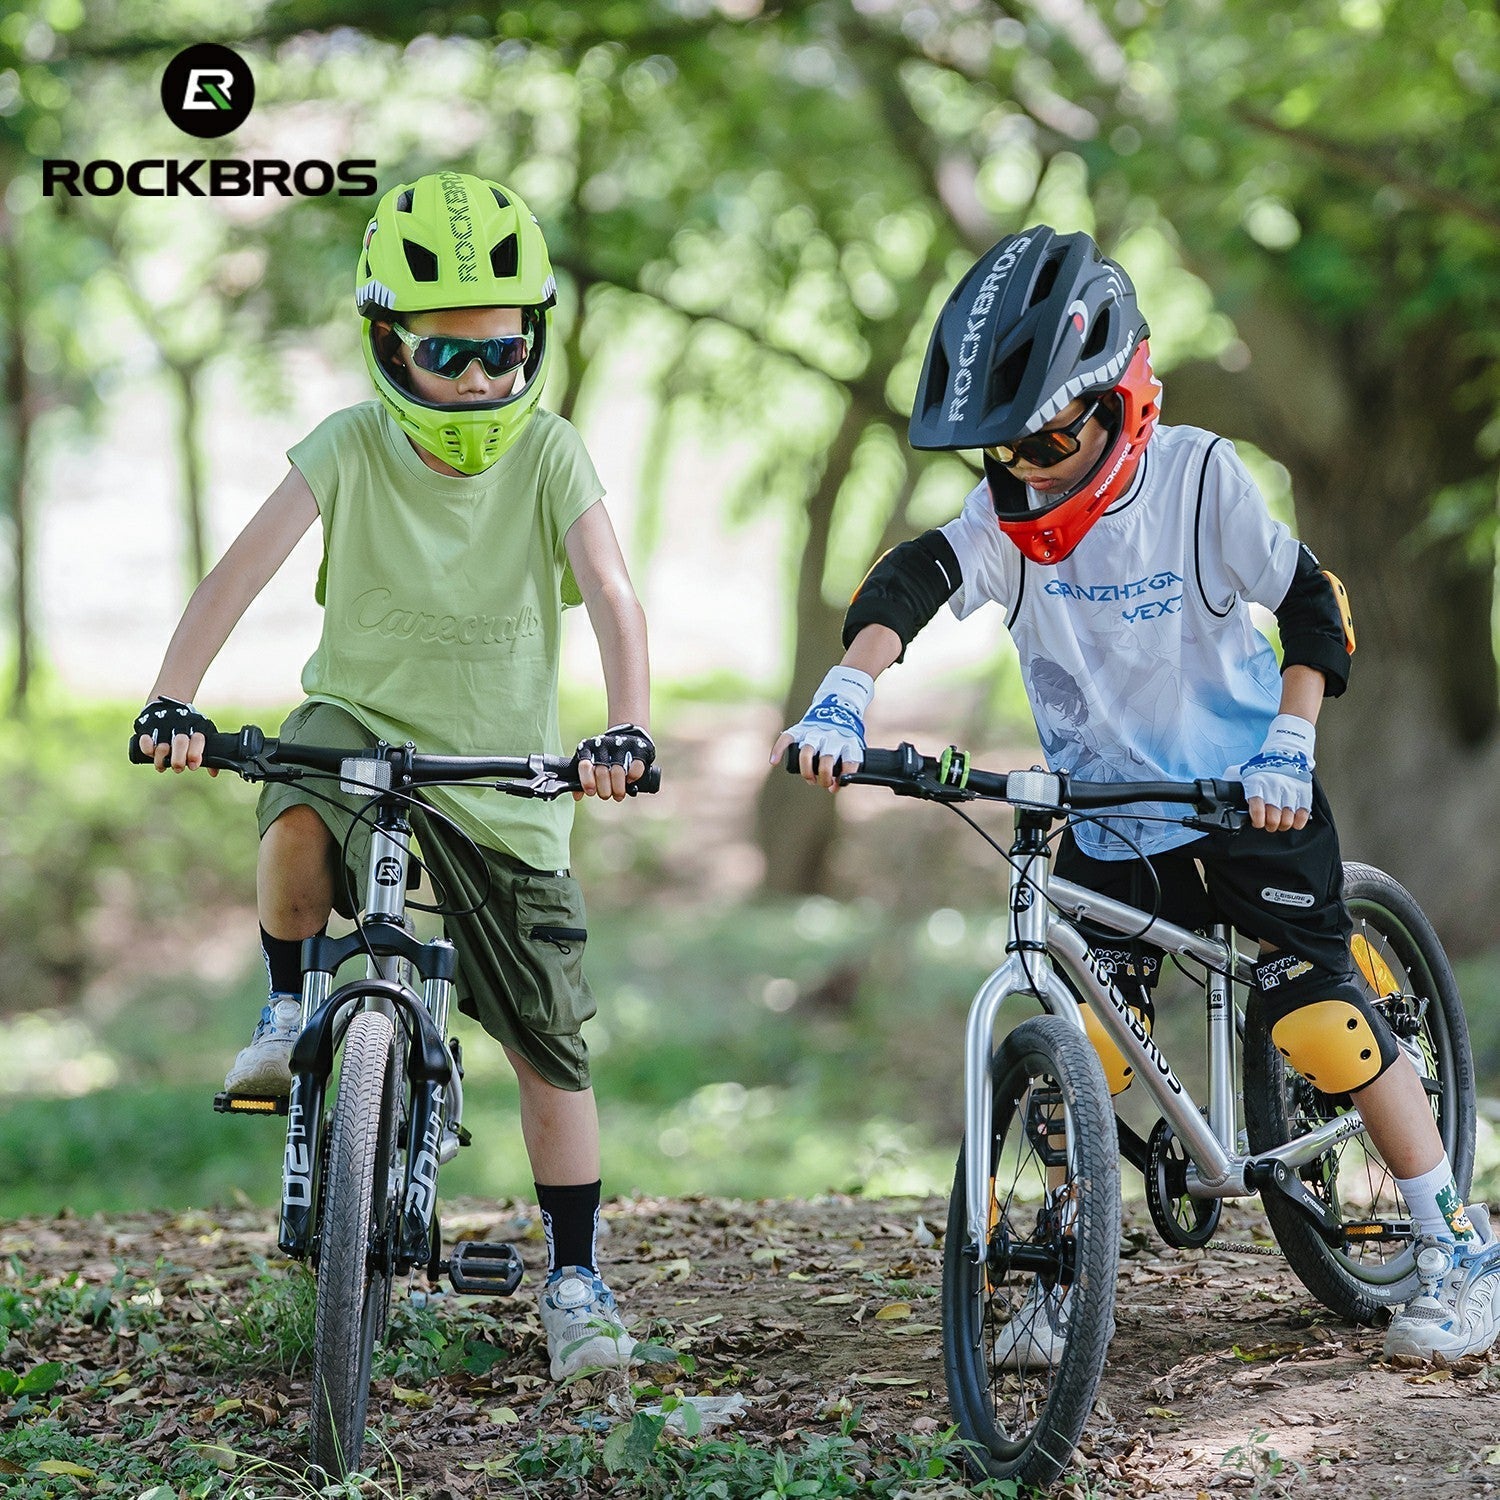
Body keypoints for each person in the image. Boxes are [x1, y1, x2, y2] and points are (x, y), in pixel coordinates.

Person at [773, 225, 1498, 1365]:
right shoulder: (1010, 519)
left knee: (1317, 1019)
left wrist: (1291, 741)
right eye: (1005, 448)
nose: (1029, 468)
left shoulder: (1199, 480)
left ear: (1125, 399)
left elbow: (1314, 603)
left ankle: (1457, 1244)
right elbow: (917, 577)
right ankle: (1063, 1271)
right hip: (1108, 818)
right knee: (1084, 1044)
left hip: (1248, 799)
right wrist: (845, 693)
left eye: (1051, 437)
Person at [134, 170, 652, 1381]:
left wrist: (626, 729)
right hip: (358, 733)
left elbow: (613, 593)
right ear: (387, 343)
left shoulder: (550, 453)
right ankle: (285, 1008)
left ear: (533, 345)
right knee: (293, 802)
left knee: (548, 1046)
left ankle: (574, 1278)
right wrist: (172, 695)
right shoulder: (352, 443)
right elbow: (238, 572)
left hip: (506, 787)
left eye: (502, 354)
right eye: (446, 353)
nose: (477, 381)